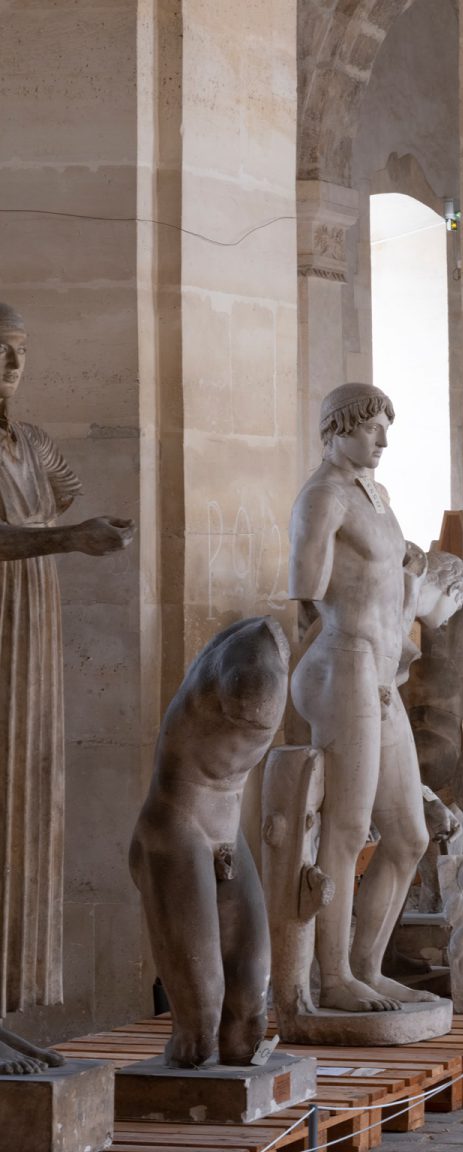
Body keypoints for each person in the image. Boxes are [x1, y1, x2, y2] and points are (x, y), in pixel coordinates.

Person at [0, 302, 134, 1073]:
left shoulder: (35, 442)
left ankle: (2, 1008)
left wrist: (77, 529)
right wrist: (67, 539)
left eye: (19, 351)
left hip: (32, 640)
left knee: (27, 816)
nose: (11, 364)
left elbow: (61, 491)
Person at [289, 382, 439, 1014]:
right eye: (372, 428)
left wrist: (400, 566)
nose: (382, 440)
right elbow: (305, 589)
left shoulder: (372, 495)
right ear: (337, 427)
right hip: (344, 662)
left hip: (378, 670)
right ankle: (331, 978)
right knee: (347, 829)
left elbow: (376, 573)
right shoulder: (324, 495)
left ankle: (365, 966)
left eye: (386, 428)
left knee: (409, 835)